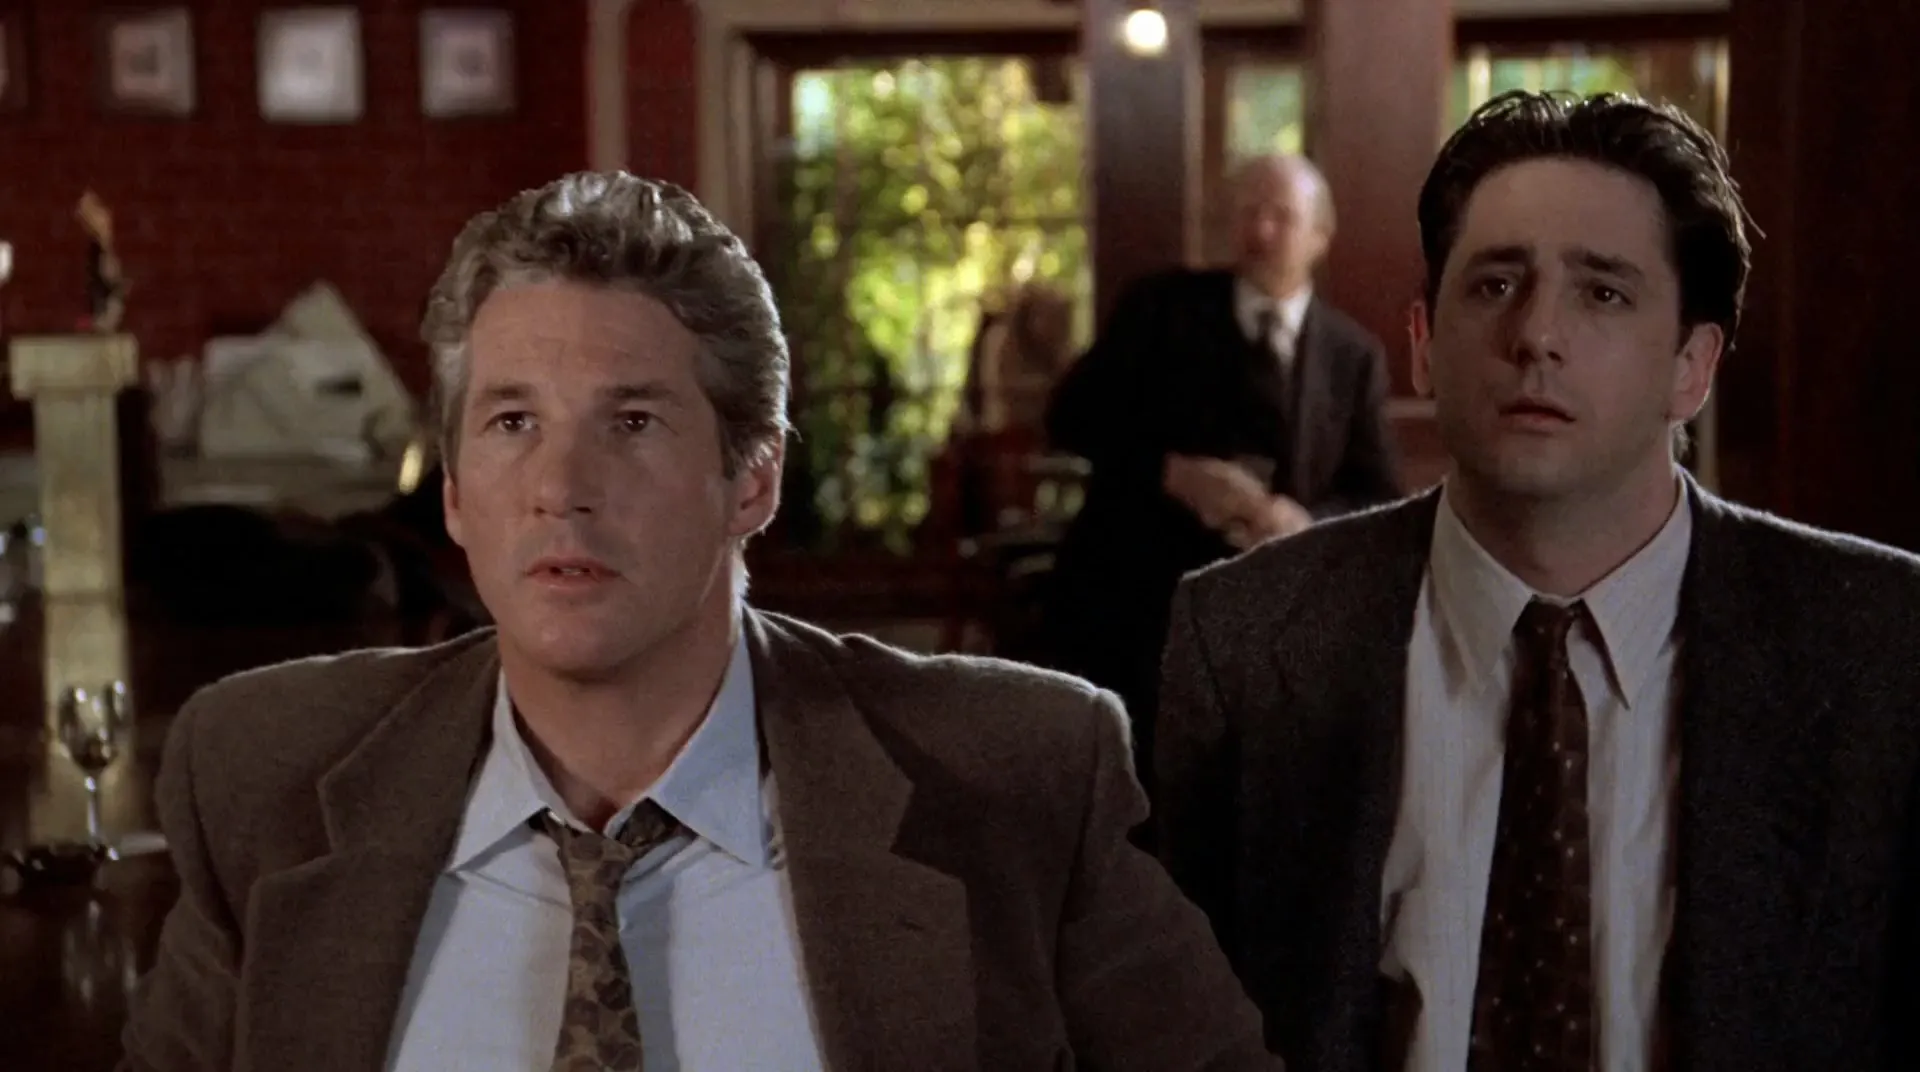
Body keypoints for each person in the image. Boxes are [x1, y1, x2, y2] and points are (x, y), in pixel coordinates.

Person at [120, 173, 1277, 1072]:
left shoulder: (1013, 777)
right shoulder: (264, 774)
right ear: (457, 493)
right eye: (514, 421)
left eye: (631, 422)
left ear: (752, 481)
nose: (560, 485)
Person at [1155, 90, 1920, 1072]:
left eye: (1602, 292)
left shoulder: (1880, 647)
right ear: (1424, 345)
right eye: (1495, 284)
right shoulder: (1246, 637)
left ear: (1692, 368)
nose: (1535, 334)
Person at [1039, 154, 1400, 789]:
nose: (1260, 230)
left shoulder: (1353, 356)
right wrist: (1169, 472)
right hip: (1141, 607)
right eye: (1247, 213)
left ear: (1320, 236)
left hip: (1279, 619)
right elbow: (1069, 418)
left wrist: (1304, 522)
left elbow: (1378, 495)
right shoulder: (1160, 309)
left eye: (1281, 216)